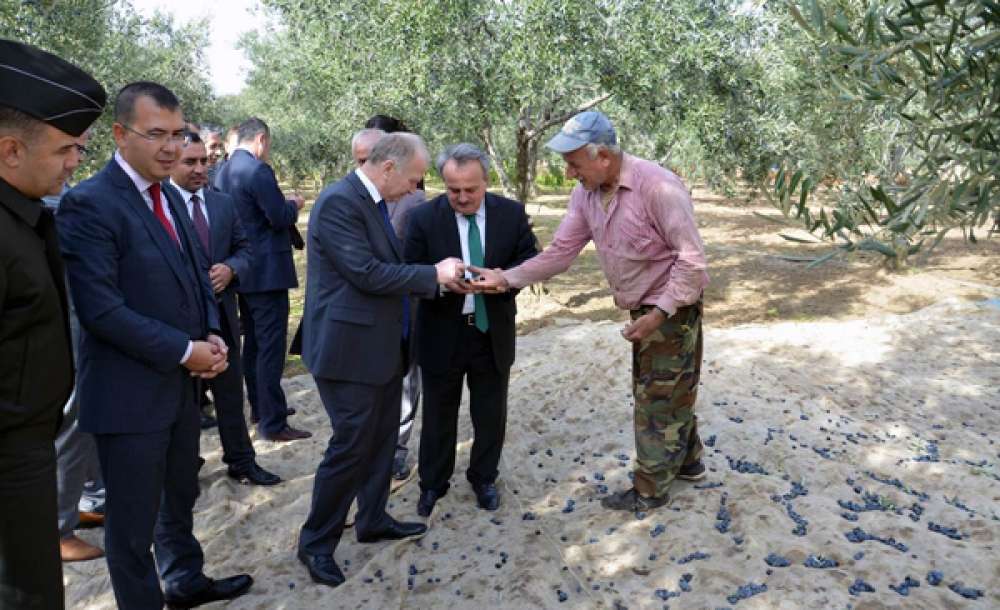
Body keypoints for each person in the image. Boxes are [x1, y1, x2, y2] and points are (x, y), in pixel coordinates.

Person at [57, 81, 253, 609]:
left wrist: (211, 331)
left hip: (180, 390)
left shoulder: (168, 195)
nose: (170, 147)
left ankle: (185, 581)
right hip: (127, 398)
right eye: (156, 135)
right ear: (120, 135)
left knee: (180, 499)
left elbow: (196, 278)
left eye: (176, 134)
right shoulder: (88, 205)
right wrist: (184, 350)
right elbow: (101, 312)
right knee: (130, 526)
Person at [472, 111, 710, 512]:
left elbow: (692, 262)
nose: (568, 174)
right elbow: (561, 252)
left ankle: (650, 490)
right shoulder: (586, 194)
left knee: (655, 397)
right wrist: (506, 278)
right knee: (668, 387)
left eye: (573, 163)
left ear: (602, 156)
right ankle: (688, 461)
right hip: (641, 308)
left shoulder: (659, 187)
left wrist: (660, 313)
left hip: (670, 308)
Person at [296, 132, 465, 587]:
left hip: (382, 348)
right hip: (348, 352)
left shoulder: (367, 202)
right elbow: (366, 273)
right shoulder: (339, 202)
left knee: (382, 440)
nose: (415, 189)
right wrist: (434, 274)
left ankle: (372, 519)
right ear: (388, 168)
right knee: (351, 446)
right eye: (413, 179)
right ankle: (315, 543)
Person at [0, 38, 106, 610]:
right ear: (11, 150)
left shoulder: (23, 215)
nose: (75, 162)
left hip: (29, 453)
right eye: (67, 149)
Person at [405, 143, 538, 516]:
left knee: (490, 412)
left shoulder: (511, 214)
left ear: (487, 181)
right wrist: (441, 283)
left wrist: (505, 281)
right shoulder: (423, 219)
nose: (461, 198)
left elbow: (530, 259)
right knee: (438, 415)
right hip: (440, 331)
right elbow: (408, 272)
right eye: (453, 190)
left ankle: (483, 478)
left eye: (471, 190)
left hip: (490, 331)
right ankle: (432, 483)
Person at [165, 131, 281, 486]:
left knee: (231, 394)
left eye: (204, 160)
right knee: (183, 403)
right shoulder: (158, 206)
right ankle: (184, 466)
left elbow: (246, 249)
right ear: (170, 161)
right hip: (178, 324)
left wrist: (231, 267)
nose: (201, 168)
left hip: (224, 317)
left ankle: (242, 461)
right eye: (191, 162)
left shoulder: (221, 203)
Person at [213, 118, 310, 441]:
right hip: (267, 271)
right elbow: (278, 216)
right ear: (261, 139)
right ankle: (273, 421)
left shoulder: (224, 171)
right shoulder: (256, 170)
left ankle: (260, 405)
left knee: (253, 344)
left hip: (243, 269)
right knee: (270, 347)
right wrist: (294, 204)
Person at [42, 166, 108, 564]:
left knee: (88, 407)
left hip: (75, 316)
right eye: (67, 148)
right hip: (63, 320)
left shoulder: (56, 189)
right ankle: (58, 529)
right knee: (75, 410)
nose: (71, 159)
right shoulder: (39, 200)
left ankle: (93, 497)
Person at [362, 115, 427, 481]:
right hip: (368, 314)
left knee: (405, 379)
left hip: (406, 306)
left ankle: (397, 449)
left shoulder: (414, 200)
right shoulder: (348, 200)